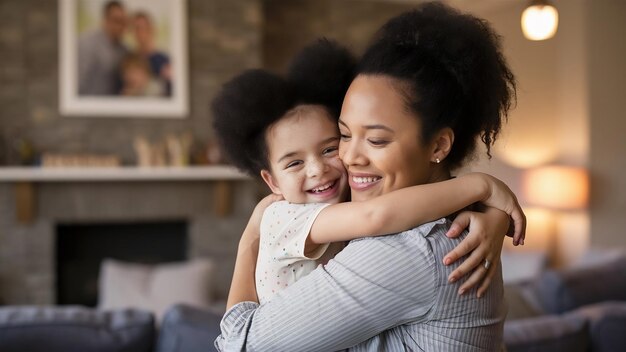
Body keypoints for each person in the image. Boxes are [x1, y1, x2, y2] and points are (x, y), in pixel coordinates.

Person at [216, 3, 520, 350]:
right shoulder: (455, 224)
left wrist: (249, 241)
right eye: (344, 135)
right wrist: (486, 201)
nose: (349, 157)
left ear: (439, 144)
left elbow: (238, 343)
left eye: (376, 139)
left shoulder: (409, 250)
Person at [78, 1, 128, 96]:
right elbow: (79, 80)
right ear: (105, 20)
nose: (121, 26)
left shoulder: (124, 50)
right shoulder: (87, 43)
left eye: (123, 22)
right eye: (117, 20)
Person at [131, 12, 172, 96]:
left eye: (143, 28)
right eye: (136, 29)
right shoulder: (129, 60)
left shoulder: (164, 60)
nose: (140, 33)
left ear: (151, 30)